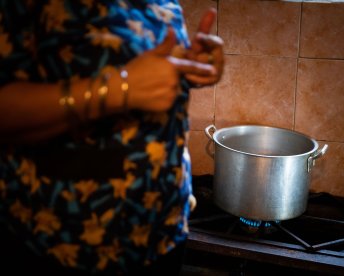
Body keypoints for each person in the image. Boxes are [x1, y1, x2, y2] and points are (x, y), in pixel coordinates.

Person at [0, 0, 224, 275]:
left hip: (163, 227)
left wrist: (187, 66)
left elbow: (136, 63)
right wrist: (121, 88)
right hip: (68, 240)